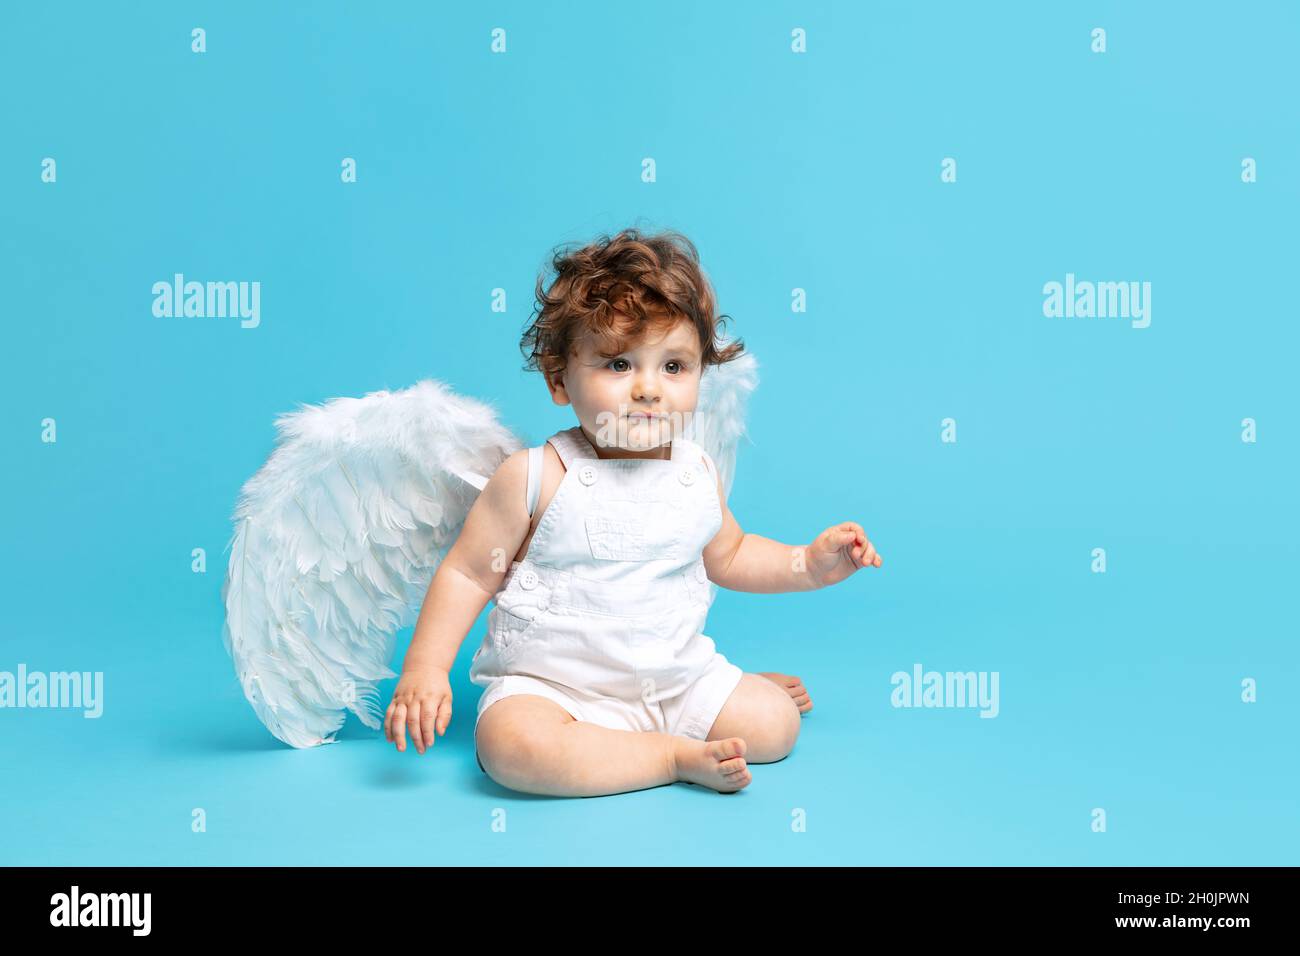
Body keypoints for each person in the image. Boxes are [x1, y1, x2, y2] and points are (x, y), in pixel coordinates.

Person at [384, 228, 881, 796]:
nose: (648, 390)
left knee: (774, 727)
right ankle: (669, 757)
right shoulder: (535, 476)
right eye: (619, 365)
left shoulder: (694, 472)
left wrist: (809, 565)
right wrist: (424, 669)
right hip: (555, 690)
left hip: (671, 681)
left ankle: (710, 702)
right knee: (512, 749)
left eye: (674, 367)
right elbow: (469, 573)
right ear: (558, 379)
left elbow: (732, 554)